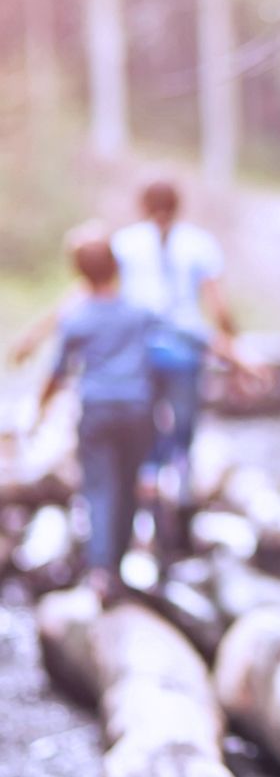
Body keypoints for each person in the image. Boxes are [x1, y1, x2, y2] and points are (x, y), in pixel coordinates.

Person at [110, 180, 237, 548]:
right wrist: (231, 346)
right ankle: (180, 505)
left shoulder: (125, 243)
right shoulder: (199, 243)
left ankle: (148, 498)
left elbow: (109, 295)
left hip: (140, 353)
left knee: (147, 431)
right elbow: (218, 305)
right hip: (185, 351)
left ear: (142, 205)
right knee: (183, 431)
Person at [37, 227, 157, 603]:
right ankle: (118, 566)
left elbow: (56, 374)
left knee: (100, 489)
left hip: (98, 411)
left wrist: (38, 414)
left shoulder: (76, 318)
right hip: (138, 410)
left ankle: (102, 572)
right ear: (116, 266)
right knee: (127, 487)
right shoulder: (137, 312)